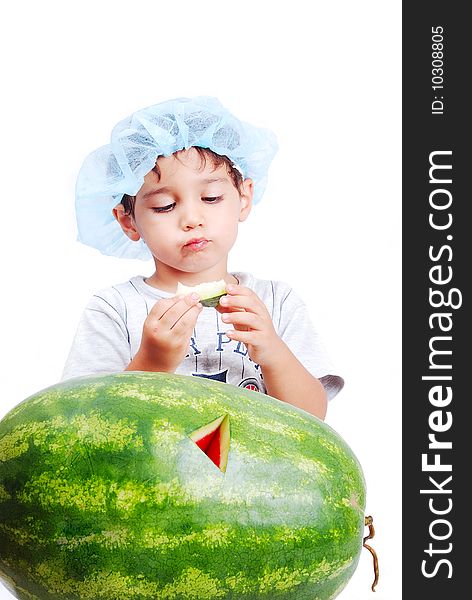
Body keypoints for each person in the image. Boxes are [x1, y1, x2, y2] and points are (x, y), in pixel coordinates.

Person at [63, 96, 343, 420]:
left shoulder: (277, 304)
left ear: (244, 198)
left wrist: (272, 351)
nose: (192, 219)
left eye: (211, 197)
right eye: (165, 205)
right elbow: (89, 424)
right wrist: (152, 363)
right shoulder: (114, 310)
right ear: (128, 220)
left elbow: (313, 419)